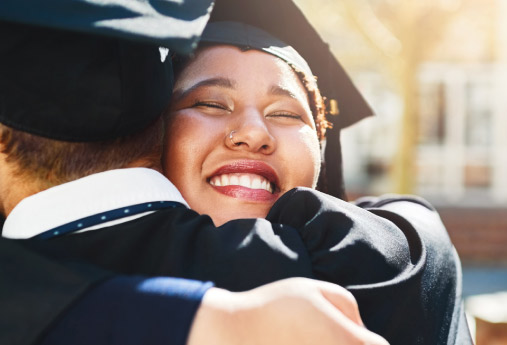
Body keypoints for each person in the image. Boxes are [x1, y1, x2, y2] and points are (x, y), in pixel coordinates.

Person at [1, 1, 472, 345]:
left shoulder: (404, 247)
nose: (253, 133)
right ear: (151, 139)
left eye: (287, 114)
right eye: (208, 103)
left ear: (322, 149)